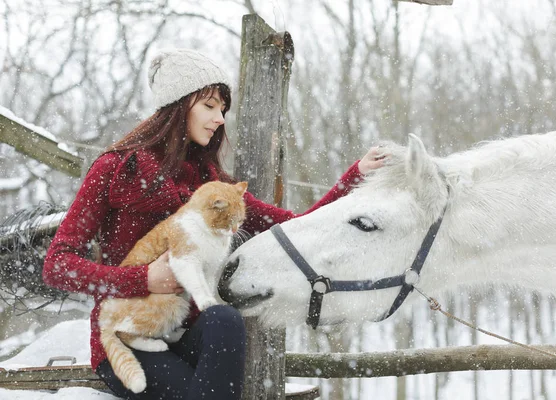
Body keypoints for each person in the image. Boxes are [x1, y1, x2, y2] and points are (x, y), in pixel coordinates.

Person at [43, 48, 387, 400]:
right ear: (178, 106)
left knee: (224, 319)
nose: (220, 118)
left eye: (223, 109)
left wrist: (355, 177)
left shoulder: (212, 186)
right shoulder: (115, 169)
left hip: (186, 336)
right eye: (209, 105)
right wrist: (143, 279)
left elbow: (295, 227)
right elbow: (57, 265)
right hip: (128, 337)